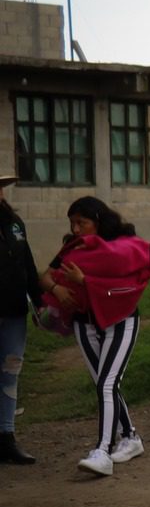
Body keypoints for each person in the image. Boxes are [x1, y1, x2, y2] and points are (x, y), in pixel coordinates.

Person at [39, 197, 150, 477]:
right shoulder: (74, 247)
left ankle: (102, 451)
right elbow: (45, 275)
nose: (76, 229)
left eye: (82, 222)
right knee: (105, 385)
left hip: (120, 321)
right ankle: (130, 437)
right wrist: (57, 289)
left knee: (106, 384)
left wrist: (85, 283)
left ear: (99, 220)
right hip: (84, 323)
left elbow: (128, 285)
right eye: (72, 223)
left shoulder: (125, 247)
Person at [0, 173, 37, 465]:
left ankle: (6, 437)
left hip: (13, 312)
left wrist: (40, 304)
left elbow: (27, 265)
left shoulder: (14, 224)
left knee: (10, 371)